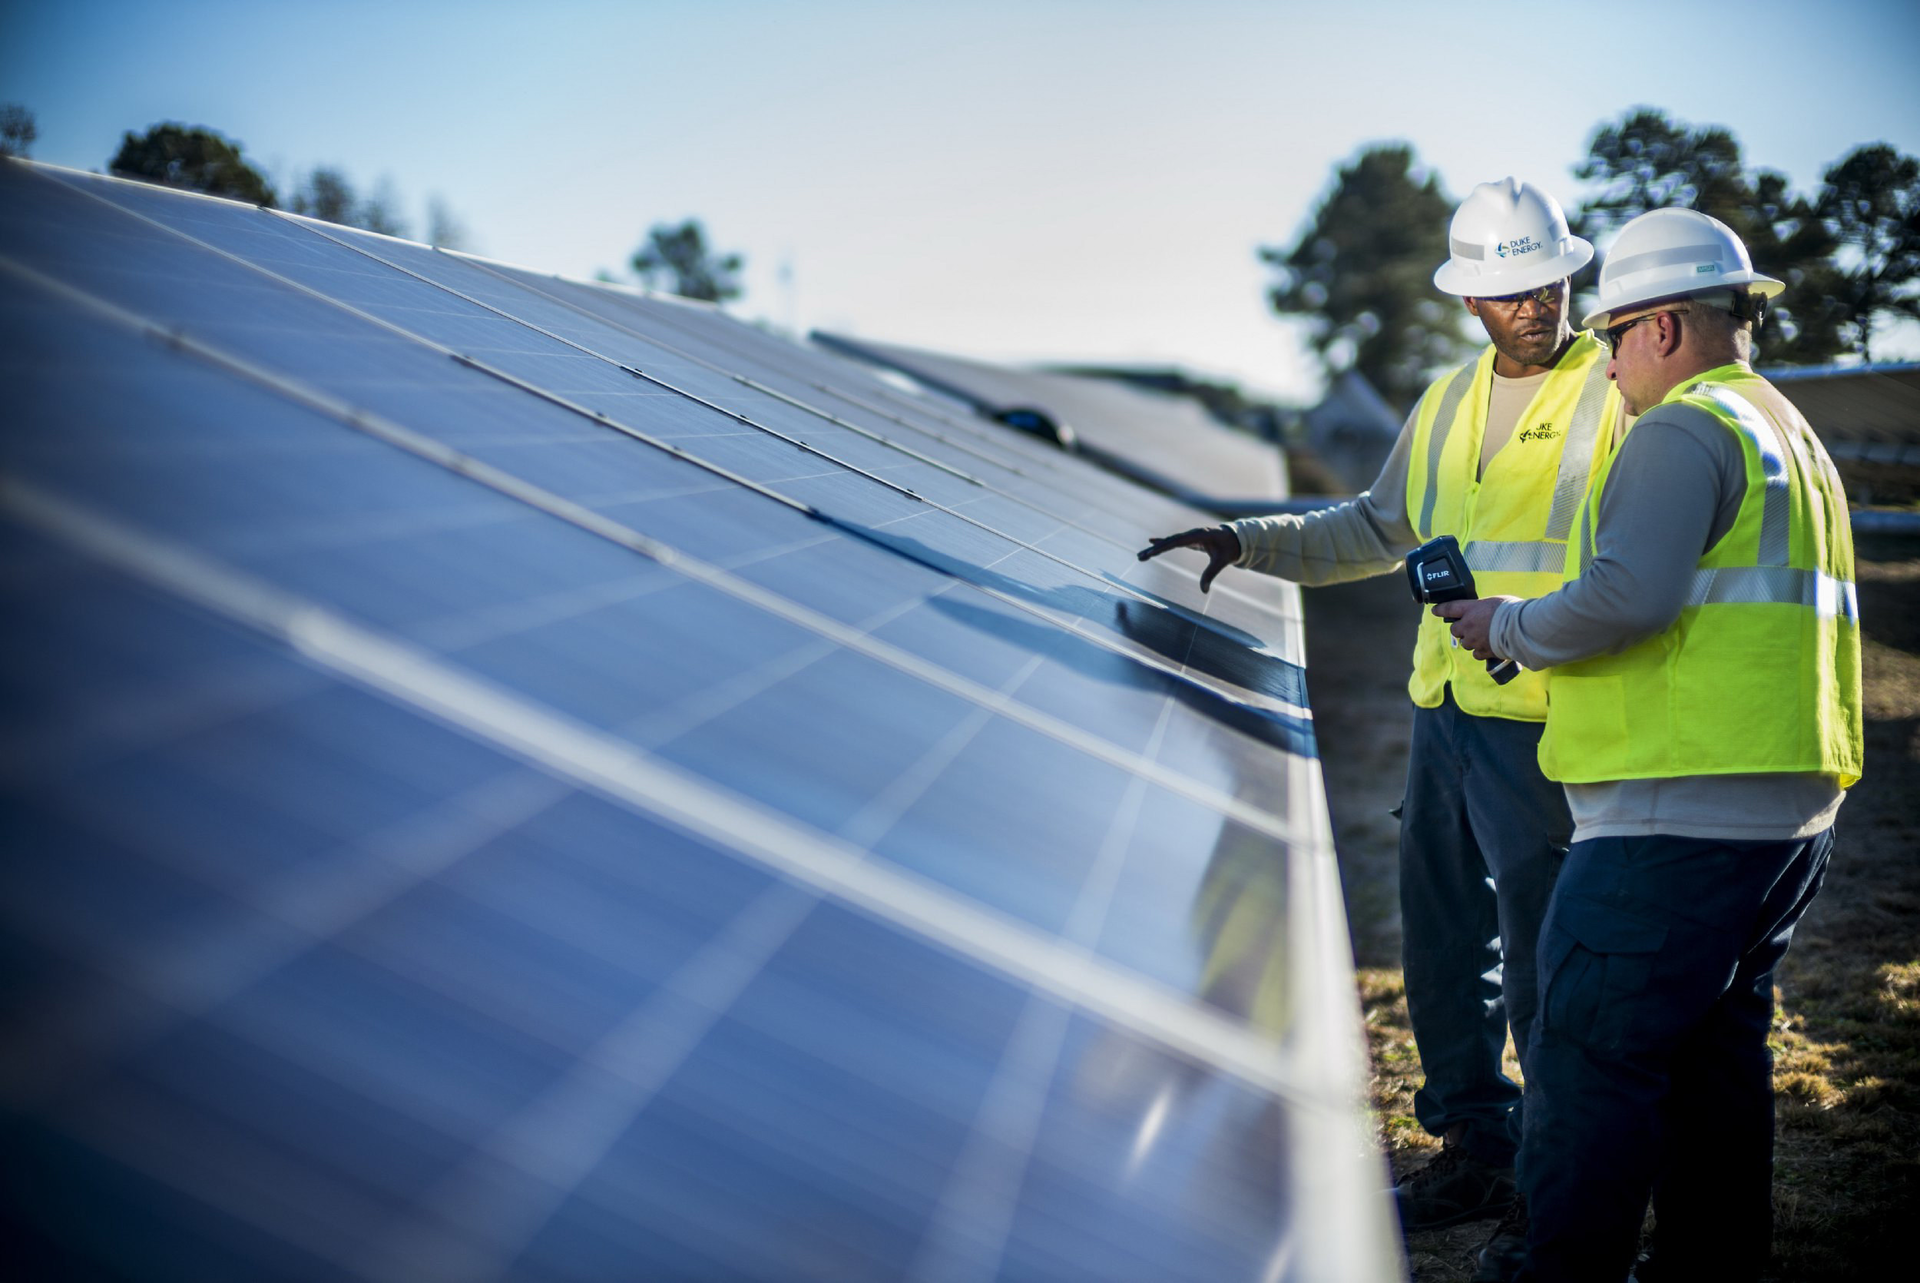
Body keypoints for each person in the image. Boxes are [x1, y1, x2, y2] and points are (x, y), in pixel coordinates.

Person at [1138, 178, 1625, 1277]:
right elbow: (1375, 524)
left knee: (1551, 972)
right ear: (1469, 301)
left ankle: (1553, 1199)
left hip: (1551, 717)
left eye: (1544, 283)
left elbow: (1633, 569)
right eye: (1506, 292)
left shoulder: (1620, 394)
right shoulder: (1448, 401)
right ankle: (1477, 1149)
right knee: (1444, 948)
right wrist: (1250, 541)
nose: (1533, 306)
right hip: (1445, 710)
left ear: (1568, 274)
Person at [1436, 206, 1862, 1282]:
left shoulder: (1680, 426)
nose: (1609, 362)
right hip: (1784, 817)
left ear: (1663, 327)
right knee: (1719, 1064)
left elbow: (1626, 595)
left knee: (1587, 1059)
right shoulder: (1786, 429)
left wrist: (1510, 626)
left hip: (1672, 822)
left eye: (1618, 333)